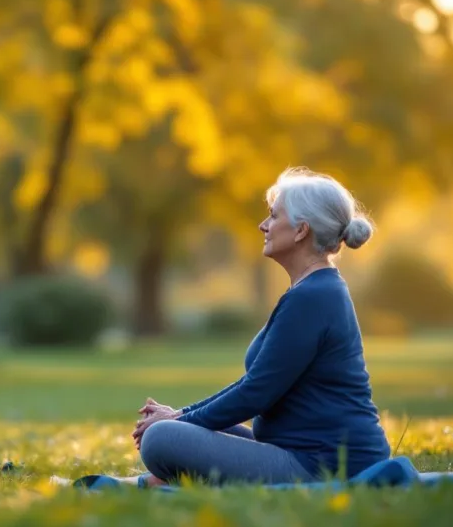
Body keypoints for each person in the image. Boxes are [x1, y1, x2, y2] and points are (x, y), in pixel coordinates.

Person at [131, 167, 391, 487]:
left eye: (273, 215)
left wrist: (178, 419)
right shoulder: (313, 290)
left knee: (162, 437)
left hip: (324, 465)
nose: (262, 225)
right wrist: (181, 414)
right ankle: (171, 470)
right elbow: (256, 384)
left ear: (301, 231)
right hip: (295, 451)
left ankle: (165, 475)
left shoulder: (314, 296)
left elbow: (255, 393)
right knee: (173, 429)